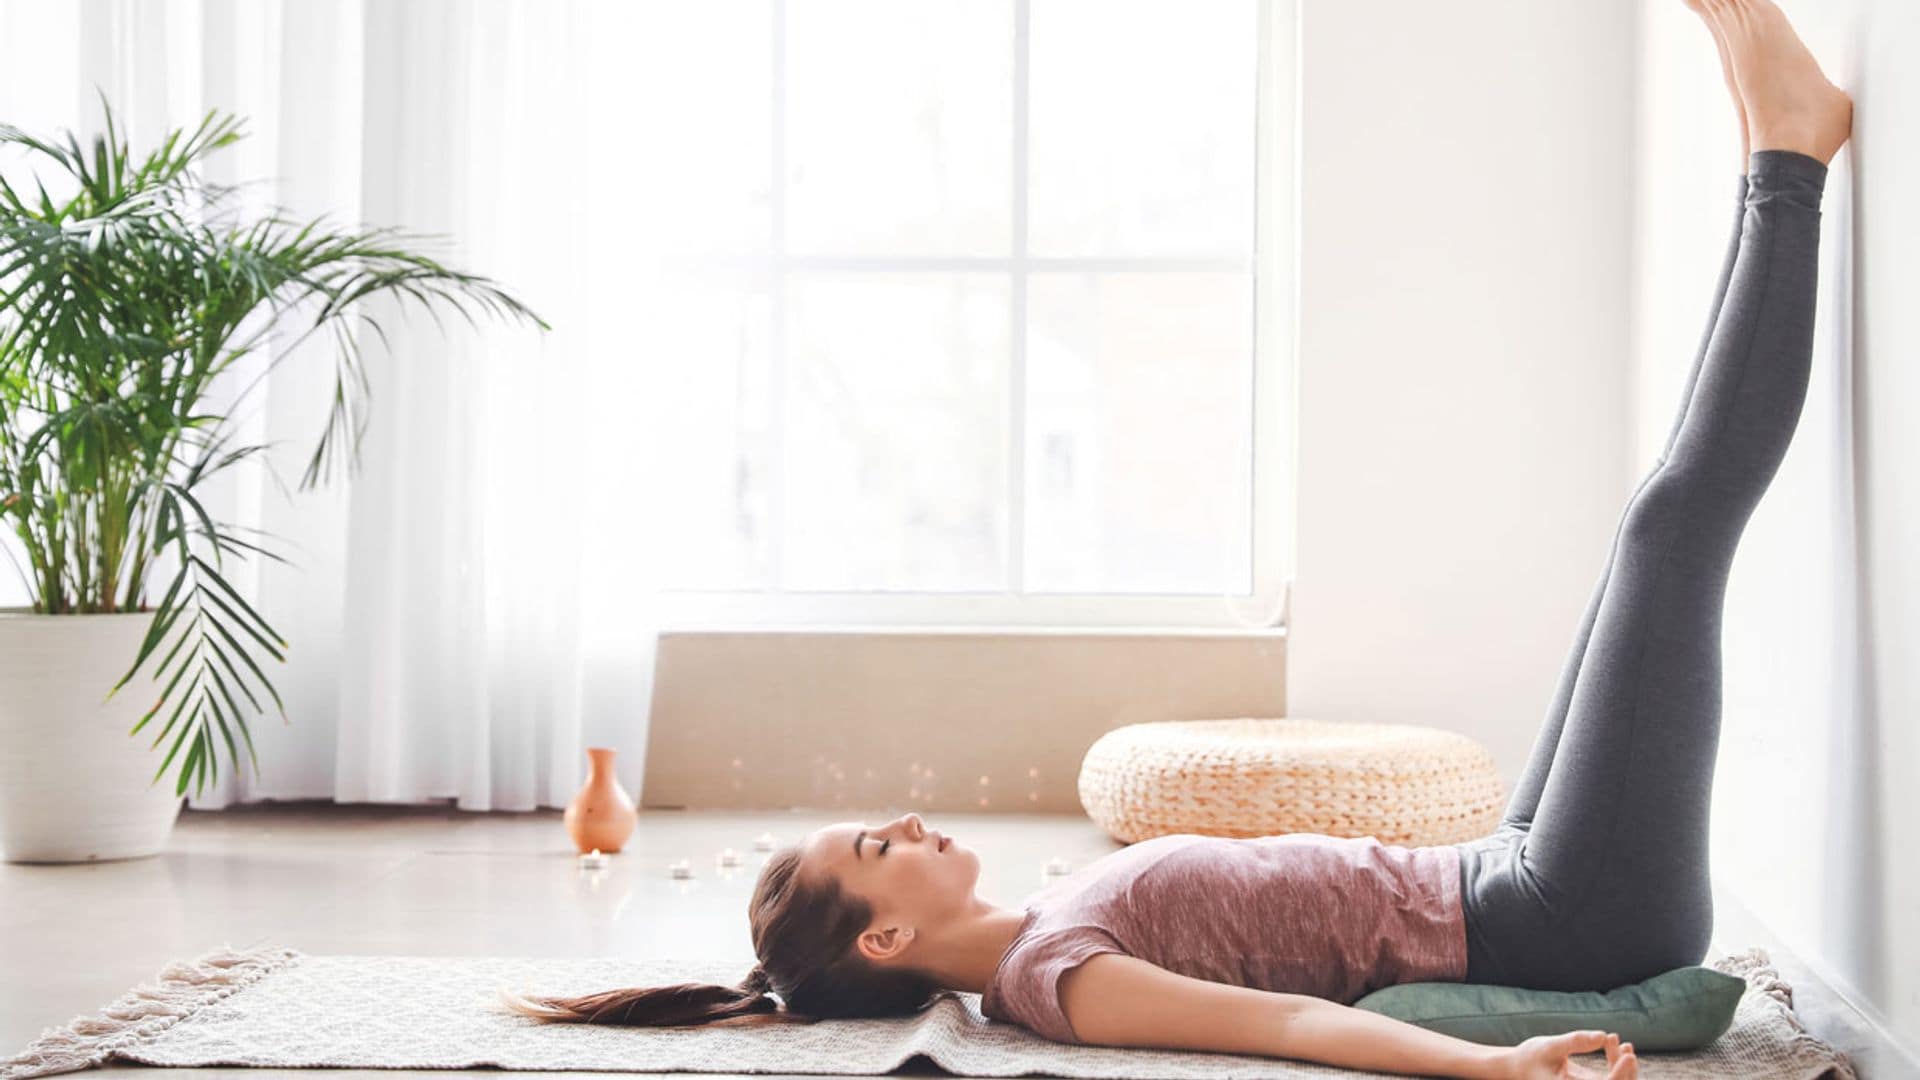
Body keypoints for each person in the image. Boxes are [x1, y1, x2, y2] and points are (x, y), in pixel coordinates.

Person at [496, 2, 1851, 1077]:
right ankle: (1788, 158)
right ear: (891, 932)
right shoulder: (1058, 978)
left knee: (1640, 537)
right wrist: (1495, 1073)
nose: (901, 820)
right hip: (1563, 915)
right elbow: (1294, 1032)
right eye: (873, 846)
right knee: (1676, 532)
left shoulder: (1050, 922)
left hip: (1507, 866)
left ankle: (1767, 152)